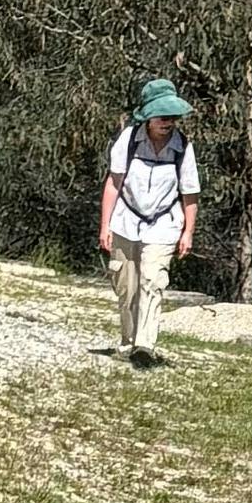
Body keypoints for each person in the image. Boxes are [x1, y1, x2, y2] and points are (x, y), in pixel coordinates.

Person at [100, 77, 199, 364]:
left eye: (172, 117)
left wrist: (188, 232)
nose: (167, 122)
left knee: (153, 281)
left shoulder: (182, 148)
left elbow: (190, 193)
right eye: (161, 116)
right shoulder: (128, 140)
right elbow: (113, 183)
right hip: (125, 221)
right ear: (148, 116)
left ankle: (145, 345)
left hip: (164, 224)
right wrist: (105, 225)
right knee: (126, 285)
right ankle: (127, 343)